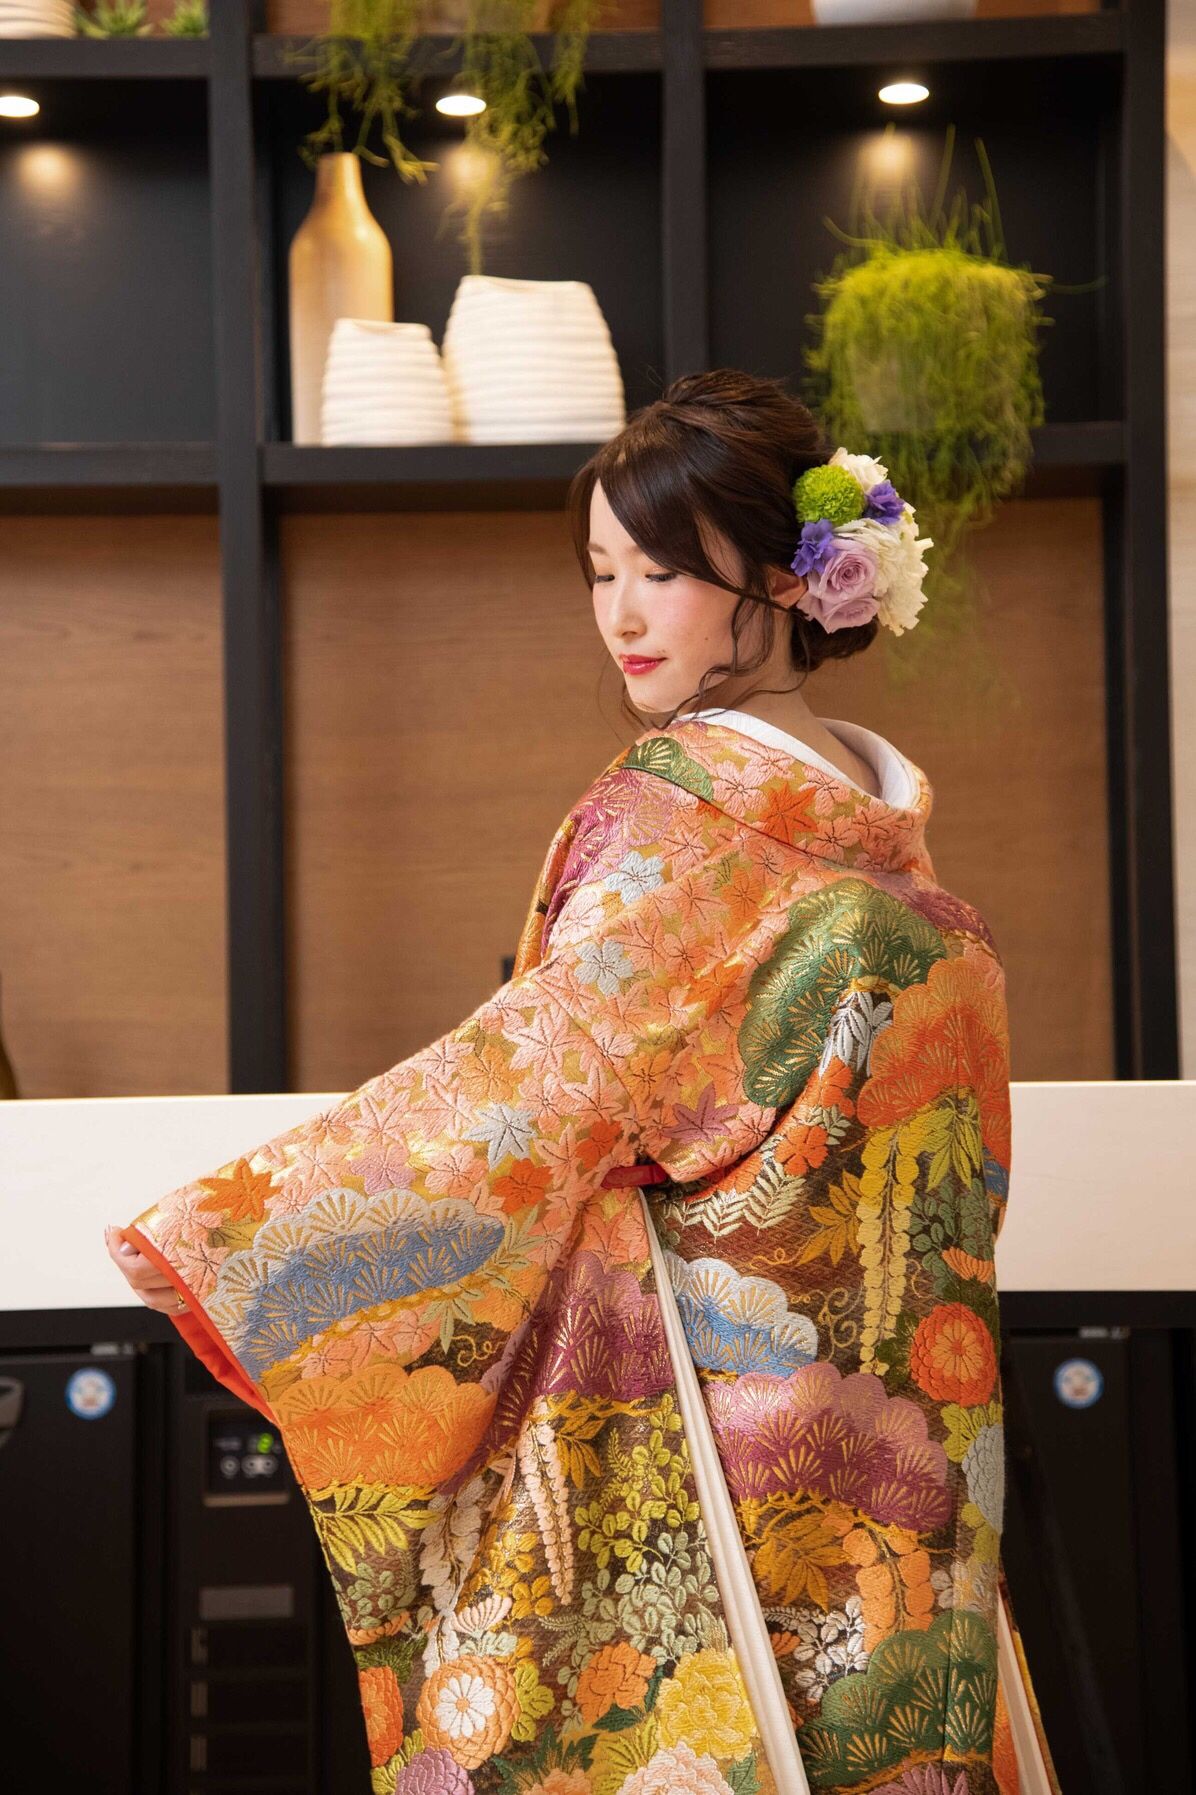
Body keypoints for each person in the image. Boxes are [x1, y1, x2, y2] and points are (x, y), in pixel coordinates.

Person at [107, 369, 1060, 1795]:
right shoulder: (894, 844)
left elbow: (542, 1077)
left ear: (785, 574)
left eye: (663, 571)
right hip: (909, 1440)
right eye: (602, 572)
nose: (621, 612)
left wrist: (252, 1233)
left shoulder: (671, 818)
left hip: (720, 1458)